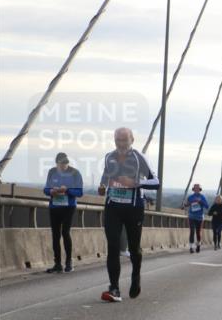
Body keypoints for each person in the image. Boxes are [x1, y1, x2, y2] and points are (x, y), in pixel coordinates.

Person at [97, 127, 160, 302]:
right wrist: (102, 188)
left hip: (134, 208)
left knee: (134, 249)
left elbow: (156, 182)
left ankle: (136, 277)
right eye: (118, 140)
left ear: (132, 140)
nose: (121, 144)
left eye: (124, 140)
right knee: (113, 246)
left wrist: (135, 183)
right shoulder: (109, 157)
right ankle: (114, 288)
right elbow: (105, 178)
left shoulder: (140, 158)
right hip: (113, 207)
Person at [43, 152, 83, 273]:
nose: (63, 166)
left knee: (65, 232)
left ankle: (69, 262)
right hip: (55, 206)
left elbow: (80, 192)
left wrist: (67, 190)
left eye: (65, 163)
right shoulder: (52, 172)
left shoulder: (75, 173)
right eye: (61, 164)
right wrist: (51, 191)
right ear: (57, 163)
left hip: (68, 207)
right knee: (55, 235)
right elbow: (45, 189)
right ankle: (57, 264)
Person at [183, 183, 209, 253]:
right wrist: (186, 204)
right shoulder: (190, 197)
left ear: (200, 189)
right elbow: (187, 205)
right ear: (193, 189)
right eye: (195, 188)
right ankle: (191, 247)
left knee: (198, 232)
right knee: (192, 231)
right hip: (191, 216)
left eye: (198, 188)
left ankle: (198, 245)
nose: (196, 189)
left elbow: (207, 206)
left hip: (199, 217)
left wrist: (200, 202)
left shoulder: (202, 197)